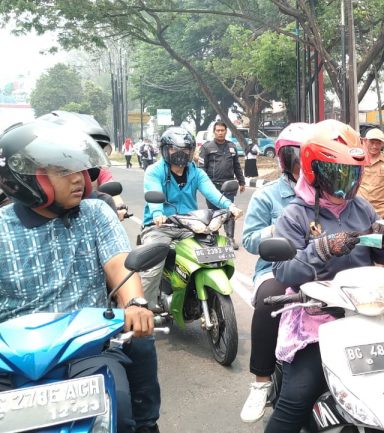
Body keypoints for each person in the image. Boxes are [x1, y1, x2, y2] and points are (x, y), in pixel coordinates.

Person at [0, 120, 161, 433]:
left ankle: (147, 424)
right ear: (26, 177)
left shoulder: (95, 214)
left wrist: (135, 302)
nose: (80, 179)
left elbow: (119, 263)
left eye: (80, 169)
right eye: (63, 171)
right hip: (10, 361)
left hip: (86, 349)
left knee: (124, 407)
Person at [266, 120, 384, 433]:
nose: (345, 185)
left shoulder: (361, 207)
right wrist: (321, 250)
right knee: (296, 397)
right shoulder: (295, 215)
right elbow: (283, 271)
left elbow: (380, 257)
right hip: (317, 320)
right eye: (337, 175)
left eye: (352, 175)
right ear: (313, 171)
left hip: (368, 316)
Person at [240, 123, 310, 423]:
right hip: (276, 268)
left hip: (318, 267)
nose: (305, 165)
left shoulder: (329, 193)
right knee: (270, 299)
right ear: (286, 161)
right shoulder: (268, 196)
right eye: (299, 158)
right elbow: (248, 240)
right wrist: (276, 229)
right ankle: (261, 381)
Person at [140, 127, 243, 311]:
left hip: (189, 224)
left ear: (191, 151)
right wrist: (157, 214)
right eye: (174, 149)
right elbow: (153, 192)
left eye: (185, 150)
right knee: (153, 266)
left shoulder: (196, 172)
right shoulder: (154, 171)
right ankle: (144, 308)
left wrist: (230, 206)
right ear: (165, 150)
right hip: (159, 226)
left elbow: (212, 192)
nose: (180, 154)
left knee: (210, 251)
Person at [198, 121, 246, 249]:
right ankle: (215, 237)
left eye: (222, 130)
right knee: (214, 213)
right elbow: (202, 168)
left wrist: (241, 182)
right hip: (212, 186)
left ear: (226, 131)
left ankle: (230, 238)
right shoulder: (207, 147)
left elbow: (236, 165)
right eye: (217, 130)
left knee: (230, 211)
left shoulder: (232, 146)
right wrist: (204, 185)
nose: (220, 133)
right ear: (214, 132)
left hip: (228, 184)